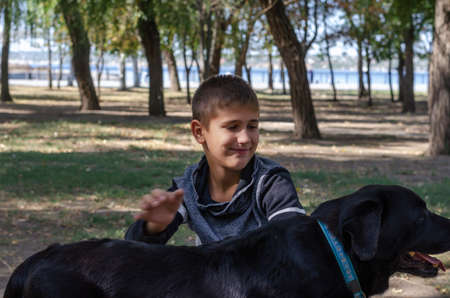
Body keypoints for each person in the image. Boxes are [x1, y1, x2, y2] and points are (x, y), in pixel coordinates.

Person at [125, 74, 305, 245]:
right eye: (233, 127)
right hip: (210, 276)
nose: (245, 138)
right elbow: (133, 250)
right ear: (199, 132)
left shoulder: (271, 182)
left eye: (252, 126)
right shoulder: (188, 188)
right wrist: (154, 227)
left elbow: (296, 240)